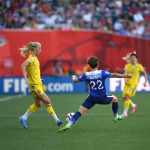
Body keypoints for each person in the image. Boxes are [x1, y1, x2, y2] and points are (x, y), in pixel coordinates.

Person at [58, 56, 132, 133]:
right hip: (102, 98)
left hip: (92, 98)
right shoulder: (102, 73)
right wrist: (126, 76)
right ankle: (116, 116)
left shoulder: (86, 74)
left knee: (79, 112)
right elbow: (115, 75)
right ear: (98, 64)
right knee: (115, 99)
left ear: (89, 65)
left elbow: (75, 80)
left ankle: (68, 124)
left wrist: (73, 77)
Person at [19, 42, 62, 129]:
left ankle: (23, 118)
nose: (40, 50)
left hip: (36, 84)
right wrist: (25, 78)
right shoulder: (31, 59)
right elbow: (22, 66)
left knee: (38, 104)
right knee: (47, 101)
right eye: (39, 49)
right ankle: (57, 120)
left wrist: (38, 79)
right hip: (35, 86)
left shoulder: (35, 58)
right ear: (34, 49)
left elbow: (33, 72)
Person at [122, 52, 147, 117]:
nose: (133, 59)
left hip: (133, 84)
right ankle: (133, 105)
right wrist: (125, 79)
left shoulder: (139, 66)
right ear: (130, 59)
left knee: (127, 96)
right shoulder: (127, 66)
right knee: (124, 98)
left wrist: (145, 82)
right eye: (131, 58)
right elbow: (125, 73)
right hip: (127, 84)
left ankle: (125, 113)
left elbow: (144, 73)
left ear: (136, 58)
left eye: (134, 57)